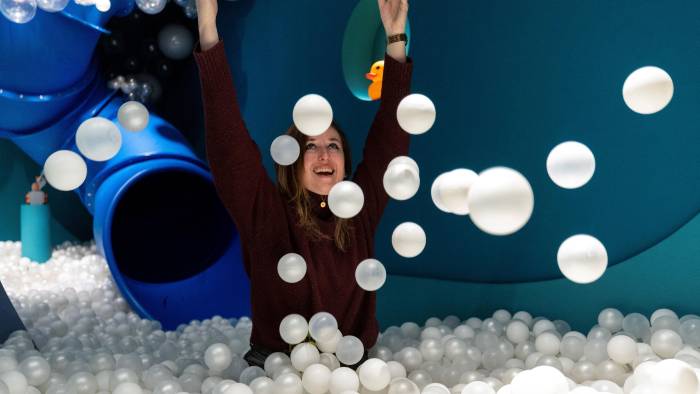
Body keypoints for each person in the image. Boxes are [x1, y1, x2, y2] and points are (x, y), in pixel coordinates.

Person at [193, 0, 413, 368]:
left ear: (345, 160)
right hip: (275, 371)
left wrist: (394, 37)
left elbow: (391, 139)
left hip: (351, 371)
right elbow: (228, 144)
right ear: (293, 161)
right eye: (310, 146)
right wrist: (207, 28)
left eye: (333, 145)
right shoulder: (268, 215)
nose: (324, 155)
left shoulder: (359, 210)